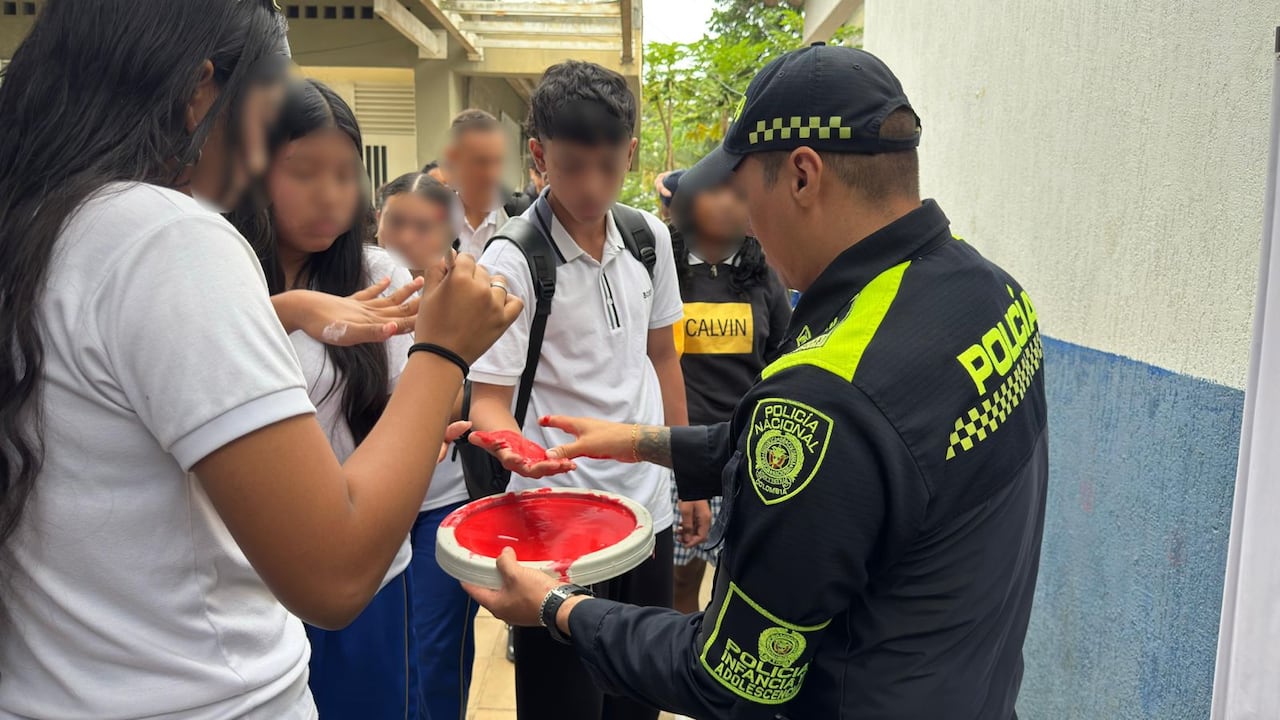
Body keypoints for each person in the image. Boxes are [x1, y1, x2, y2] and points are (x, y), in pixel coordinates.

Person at [466, 44, 1049, 720]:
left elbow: (728, 676)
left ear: (802, 176)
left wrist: (557, 609)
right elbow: (865, 461)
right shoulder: (993, 295)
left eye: (746, 192)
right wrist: (643, 442)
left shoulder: (823, 396)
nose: (744, 221)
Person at [0, 2, 521, 717]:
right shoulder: (166, 238)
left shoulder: (37, 229)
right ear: (200, 92)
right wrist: (444, 351)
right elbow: (334, 573)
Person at [464, 60, 710, 720]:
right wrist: (512, 447)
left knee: (640, 695)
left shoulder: (649, 240)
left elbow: (664, 359)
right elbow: (488, 398)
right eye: (574, 167)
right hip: (556, 526)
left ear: (630, 153)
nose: (594, 185)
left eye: (609, 166)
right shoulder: (513, 260)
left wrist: (687, 476)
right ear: (540, 156)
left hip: (645, 514)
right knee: (563, 703)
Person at [229, 78, 426, 720]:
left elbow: (406, 404)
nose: (329, 194)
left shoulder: (380, 275)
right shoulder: (221, 277)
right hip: (247, 578)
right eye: (303, 171)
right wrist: (289, 310)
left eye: (344, 174)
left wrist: (423, 427)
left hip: (365, 569)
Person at [666, 179, 792, 616]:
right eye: (714, 192)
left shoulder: (766, 277)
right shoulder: (666, 271)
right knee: (680, 577)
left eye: (739, 195)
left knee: (738, 578)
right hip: (677, 447)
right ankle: (681, 649)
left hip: (743, 451)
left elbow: (782, 358)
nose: (728, 204)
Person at [376, 171, 456, 275]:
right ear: (378, 219)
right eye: (396, 222)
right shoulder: (357, 276)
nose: (406, 239)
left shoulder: (461, 280)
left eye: (423, 227)